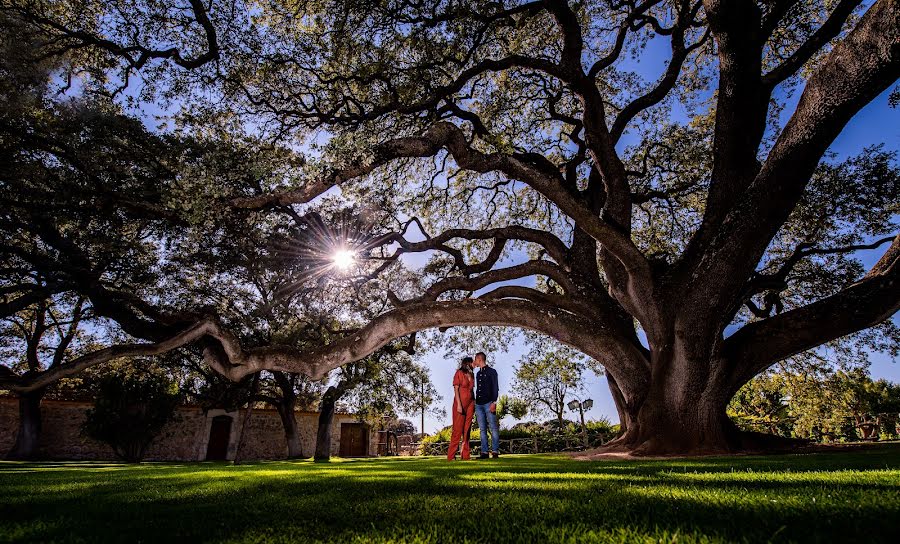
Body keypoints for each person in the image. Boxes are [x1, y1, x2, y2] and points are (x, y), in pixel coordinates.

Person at [447, 356, 475, 461]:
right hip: (460, 404)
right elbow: (456, 389)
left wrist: (474, 403)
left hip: (470, 404)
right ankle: (451, 456)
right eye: (472, 363)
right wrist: (459, 405)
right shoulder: (458, 373)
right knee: (457, 431)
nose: (474, 365)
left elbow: (472, 391)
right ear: (467, 363)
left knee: (467, 431)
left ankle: (465, 456)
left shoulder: (472, 375)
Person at [473, 351, 500, 459]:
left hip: (489, 403)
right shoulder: (478, 373)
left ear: (479, 359)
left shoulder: (492, 371)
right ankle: (484, 452)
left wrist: (494, 402)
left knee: (493, 428)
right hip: (479, 405)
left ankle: (495, 451)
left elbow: (495, 387)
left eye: (475, 360)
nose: (474, 362)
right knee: (482, 429)